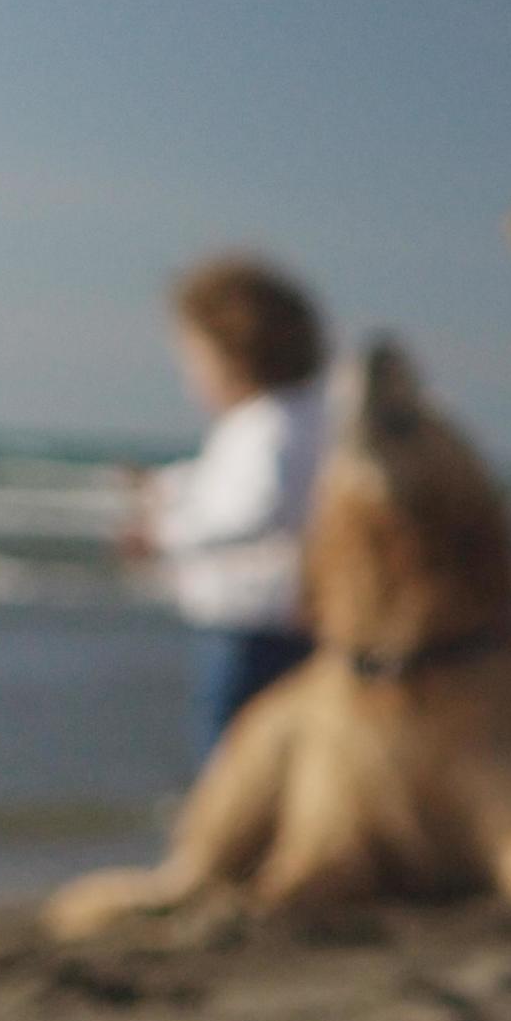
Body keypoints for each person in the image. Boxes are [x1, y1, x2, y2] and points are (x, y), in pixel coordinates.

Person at [119, 253, 328, 757]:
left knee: (231, 757)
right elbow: (227, 484)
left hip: (257, 629)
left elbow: (257, 507)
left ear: (235, 351)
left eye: (194, 356)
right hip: (282, 625)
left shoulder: (267, 425)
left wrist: (164, 534)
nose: (189, 374)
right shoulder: (299, 416)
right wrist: (168, 487)